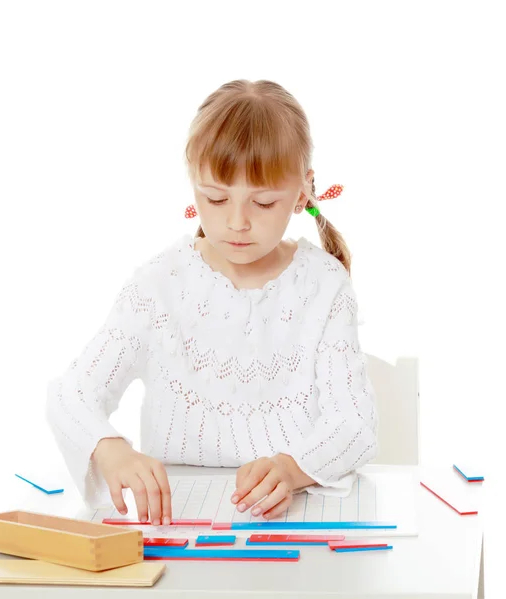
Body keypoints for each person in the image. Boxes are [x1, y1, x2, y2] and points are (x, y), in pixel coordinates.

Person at [46, 79, 378, 527]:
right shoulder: (160, 285)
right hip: (178, 526)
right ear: (193, 187)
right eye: (216, 197)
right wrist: (110, 449)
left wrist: (291, 469)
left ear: (303, 191)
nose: (236, 222)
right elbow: (70, 395)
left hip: (295, 527)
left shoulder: (324, 286)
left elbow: (354, 424)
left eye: (262, 202)